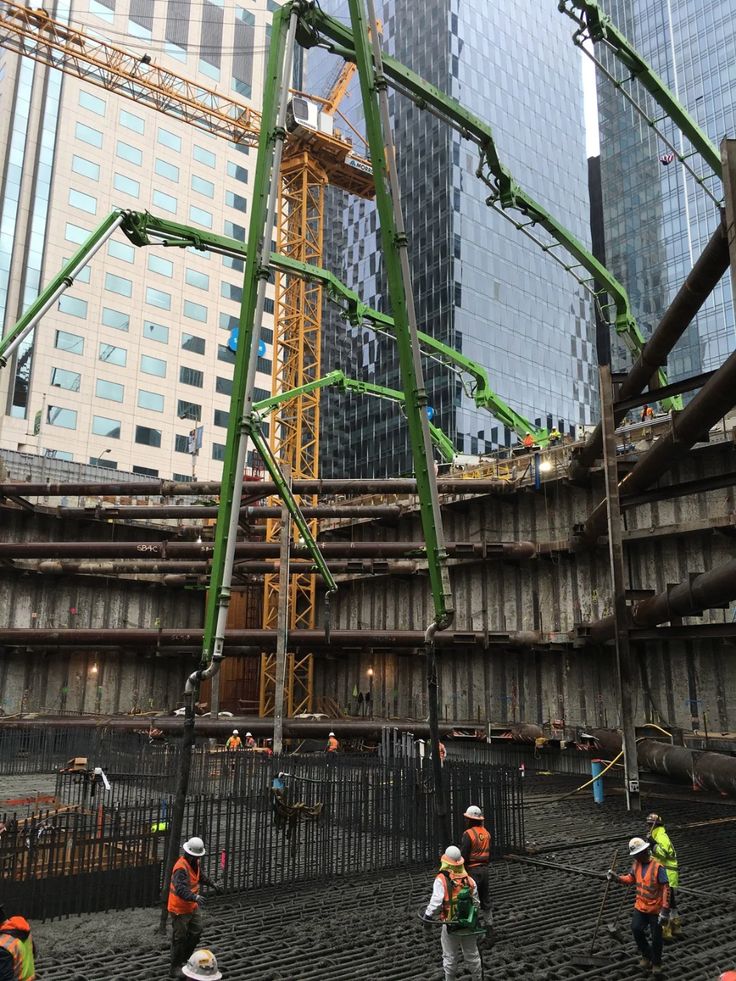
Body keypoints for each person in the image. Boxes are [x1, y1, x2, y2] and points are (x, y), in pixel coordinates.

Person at [607, 836, 670, 978]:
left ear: (644, 852)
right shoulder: (636, 864)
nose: (636, 856)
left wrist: (665, 910)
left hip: (655, 909)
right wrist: (617, 877)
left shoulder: (658, 867)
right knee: (636, 929)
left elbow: (666, 887)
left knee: (656, 938)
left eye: (637, 854)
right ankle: (647, 955)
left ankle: (656, 964)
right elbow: (630, 879)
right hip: (641, 906)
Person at [420, 845, 482, 981]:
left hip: (450, 924)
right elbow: (476, 903)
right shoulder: (469, 881)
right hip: (469, 924)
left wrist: (427, 917)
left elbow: (435, 903)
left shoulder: (441, 880)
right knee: (472, 954)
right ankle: (477, 978)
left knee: (450, 956)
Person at [168, 837, 221, 979]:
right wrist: (195, 897)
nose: (197, 858)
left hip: (191, 906)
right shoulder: (180, 867)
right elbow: (180, 889)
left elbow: (199, 876)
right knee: (179, 938)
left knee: (197, 931)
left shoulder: (194, 862)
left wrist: (212, 883)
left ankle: (186, 959)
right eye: (195, 856)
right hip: (179, 908)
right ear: (189, 853)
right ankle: (175, 967)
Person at [646, 812, 680, 939]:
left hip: (667, 874)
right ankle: (676, 926)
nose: (648, 826)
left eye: (650, 824)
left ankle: (666, 931)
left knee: (664, 903)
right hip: (666, 873)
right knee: (671, 903)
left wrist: (652, 843)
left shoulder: (661, 836)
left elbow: (663, 853)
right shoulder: (657, 835)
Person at [460, 805, 492, 926]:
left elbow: (464, 855)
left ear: (470, 820)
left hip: (473, 871)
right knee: (486, 899)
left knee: (473, 900)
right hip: (485, 870)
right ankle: (489, 927)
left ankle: (476, 927)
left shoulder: (469, 834)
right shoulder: (486, 833)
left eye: (467, 818)